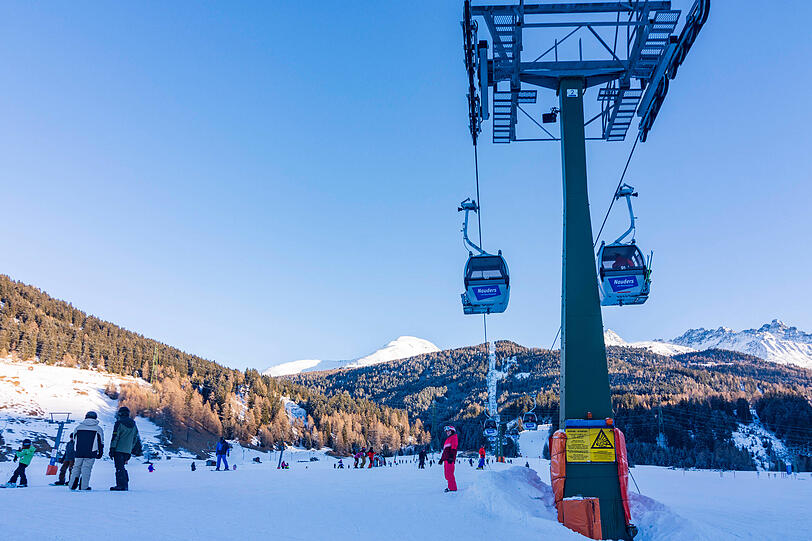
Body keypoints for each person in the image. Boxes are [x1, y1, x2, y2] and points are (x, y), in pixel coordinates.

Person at [109, 406, 142, 491]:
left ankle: (120, 485)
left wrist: (112, 448)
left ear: (120, 414)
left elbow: (115, 437)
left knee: (119, 467)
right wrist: (130, 448)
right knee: (122, 467)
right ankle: (125, 484)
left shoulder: (118, 423)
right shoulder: (133, 424)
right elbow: (135, 438)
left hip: (118, 449)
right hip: (127, 450)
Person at [70, 411, 105, 491]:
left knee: (76, 467)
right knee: (87, 468)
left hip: (79, 451)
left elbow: (74, 440)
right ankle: (84, 486)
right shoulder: (98, 428)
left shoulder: (78, 427)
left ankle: (72, 485)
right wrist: (100, 452)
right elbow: (101, 441)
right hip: (91, 452)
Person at [438, 425, 458, 493]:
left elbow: (454, 449)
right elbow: (445, 451)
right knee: (446, 475)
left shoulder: (454, 438)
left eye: (448, 431)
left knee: (450, 474)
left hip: (450, 460)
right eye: (446, 431)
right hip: (446, 460)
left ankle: (452, 488)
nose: (447, 432)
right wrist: (441, 459)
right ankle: (450, 486)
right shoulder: (447, 439)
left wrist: (451, 458)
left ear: (452, 431)